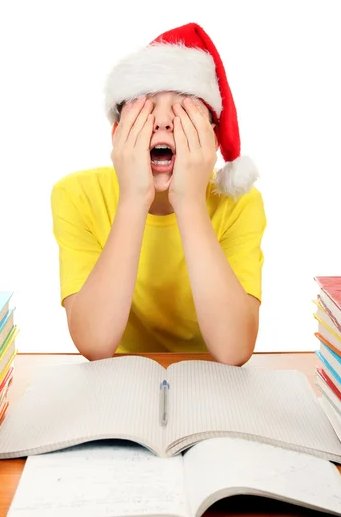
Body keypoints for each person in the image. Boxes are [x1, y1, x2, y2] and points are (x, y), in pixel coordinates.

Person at [50, 23, 266, 365]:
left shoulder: (241, 204)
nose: (163, 123)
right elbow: (94, 343)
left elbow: (233, 350)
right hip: (117, 384)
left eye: (183, 111)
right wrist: (134, 199)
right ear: (118, 132)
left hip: (209, 381)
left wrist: (190, 201)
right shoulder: (76, 196)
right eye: (145, 109)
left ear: (211, 137)